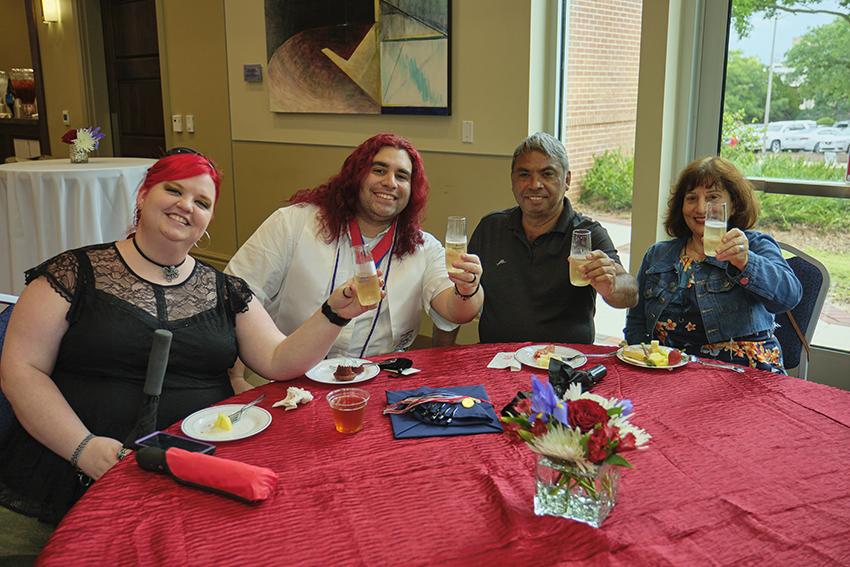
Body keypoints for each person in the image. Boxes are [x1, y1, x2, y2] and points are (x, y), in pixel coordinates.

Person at [0, 149, 377, 523]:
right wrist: (83, 448)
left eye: (202, 201)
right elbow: (22, 369)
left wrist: (333, 313)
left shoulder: (225, 289)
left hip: (196, 471)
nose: (186, 205)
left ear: (209, 219)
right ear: (143, 195)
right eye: (174, 190)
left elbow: (279, 360)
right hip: (72, 467)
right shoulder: (73, 272)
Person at [225, 133, 483, 371]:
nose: (390, 182)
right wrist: (235, 376)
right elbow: (234, 294)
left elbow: (455, 311)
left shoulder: (424, 248)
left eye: (402, 176)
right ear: (356, 176)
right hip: (289, 376)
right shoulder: (293, 223)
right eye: (379, 170)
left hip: (378, 377)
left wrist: (467, 288)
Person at [625, 156, 802, 373]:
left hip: (742, 374)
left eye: (712, 198)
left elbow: (790, 296)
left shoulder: (754, 245)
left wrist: (745, 262)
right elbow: (637, 322)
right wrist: (645, 362)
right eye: (691, 198)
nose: (701, 208)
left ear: (734, 204)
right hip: (672, 373)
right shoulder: (658, 254)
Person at [468, 132, 637, 344]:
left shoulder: (587, 234)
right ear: (512, 180)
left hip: (565, 365)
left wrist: (611, 286)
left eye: (547, 174)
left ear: (567, 180)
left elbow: (630, 292)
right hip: (496, 360)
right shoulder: (490, 227)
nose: (534, 184)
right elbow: (460, 290)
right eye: (524, 174)